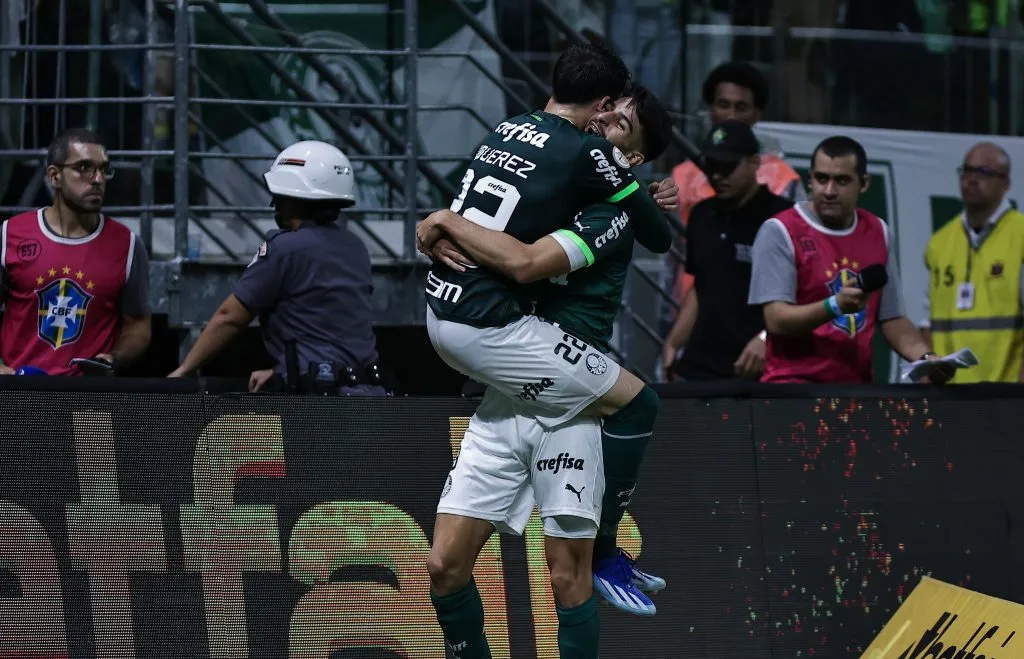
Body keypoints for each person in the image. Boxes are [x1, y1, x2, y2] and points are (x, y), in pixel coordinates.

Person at [422, 42, 674, 658]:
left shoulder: (603, 215)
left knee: (567, 574)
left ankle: (610, 548)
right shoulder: (563, 172)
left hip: (568, 397)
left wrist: (443, 221)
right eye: (606, 116)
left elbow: (530, 263)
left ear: (630, 155)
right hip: (515, 381)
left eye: (619, 126)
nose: (602, 127)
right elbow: (506, 192)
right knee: (443, 565)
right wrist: (442, 226)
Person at [169, 140, 385, 396]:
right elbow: (328, 329)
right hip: (370, 395)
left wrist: (183, 371)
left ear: (291, 197)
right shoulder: (355, 247)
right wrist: (282, 371)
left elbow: (230, 318)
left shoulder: (284, 248)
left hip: (319, 406)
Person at [747, 136, 952, 384]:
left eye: (842, 181)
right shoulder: (780, 230)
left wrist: (926, 358)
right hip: (794, 390)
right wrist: (835, 305)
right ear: (810, 179)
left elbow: (891, 318)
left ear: (864, 183)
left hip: (855, 391)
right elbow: (776, 320)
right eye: (822, 179)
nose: (829, 191)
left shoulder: (878, 231)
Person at [661, 61, 805, 336]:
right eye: (723, 104)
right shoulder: (682, 176)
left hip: (756, 314)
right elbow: (672, 258)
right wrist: (670, 322)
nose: (730, 115)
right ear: (710, 109)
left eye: (741, 107)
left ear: (757, 113)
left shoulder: (784, 180)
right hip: (691, 309)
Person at [0, 127, 151, 376]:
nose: (98, 179)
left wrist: (115, 357)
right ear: (54, 176)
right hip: (20, 394)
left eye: (104, 169)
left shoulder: (128, 245)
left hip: (89, 402)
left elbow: (139, 324)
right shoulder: (10, 236)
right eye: (84, 168)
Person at [660, 120, 794, 382]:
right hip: (701, 364)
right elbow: (701, 284)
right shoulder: (701, 214)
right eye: (713, 166)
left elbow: (801, 293)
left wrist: (767, 338)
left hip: (759, 365)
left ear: (754, 162)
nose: (718, 175)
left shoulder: (783, 218)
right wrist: (674, 342)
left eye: (729, 166)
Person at [922, 142, 1024, 382]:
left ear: (1006, 183)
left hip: (1005, 393)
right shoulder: (939, 242)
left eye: (984, 173)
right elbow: (926, 322)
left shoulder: (1020, 234)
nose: (972, 179)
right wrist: (927, 382)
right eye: (967, 171)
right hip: (949, 394)